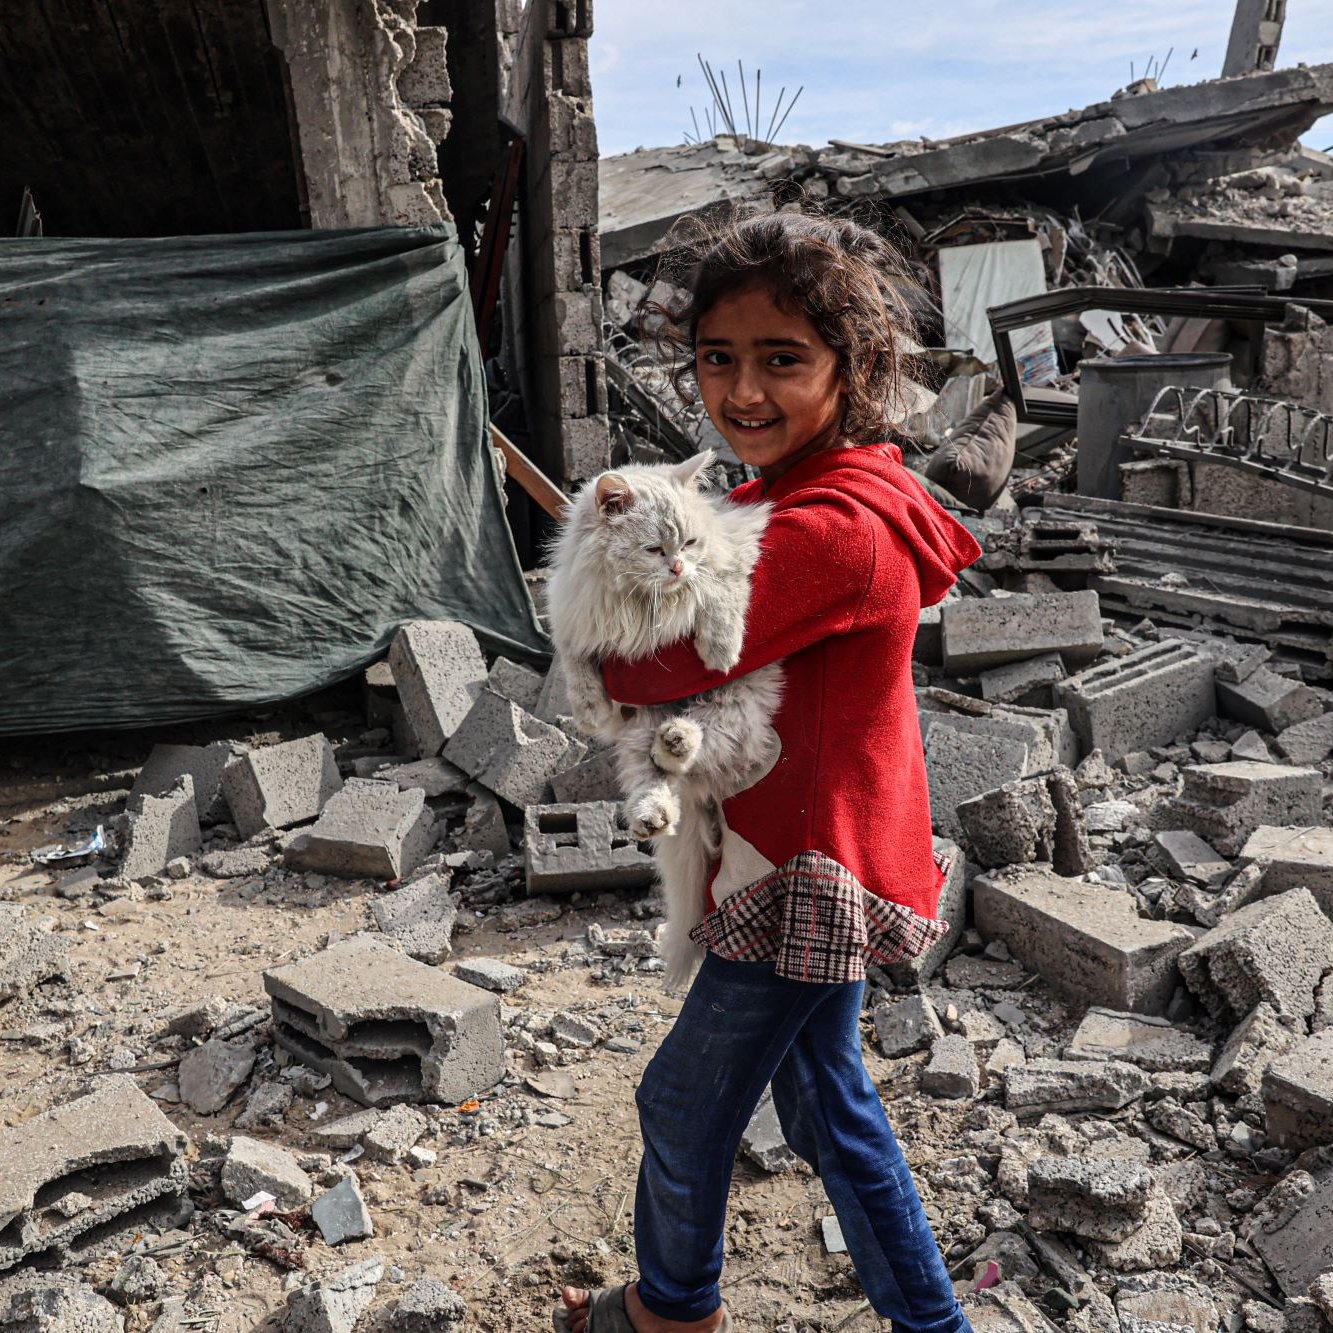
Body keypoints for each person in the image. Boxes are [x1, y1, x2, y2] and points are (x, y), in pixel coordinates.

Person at [555, 206, 982, 1333]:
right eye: (717, 358)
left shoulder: (829, 530)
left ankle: (669, 1313)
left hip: (802, 873)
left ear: (852, 365)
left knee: (682, 1102)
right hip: (799, 849)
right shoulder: (791, 495)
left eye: (781, 360)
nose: (741, 391)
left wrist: (600, 631)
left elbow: (640, 663)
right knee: (826, 1106)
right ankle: (932, 1325)